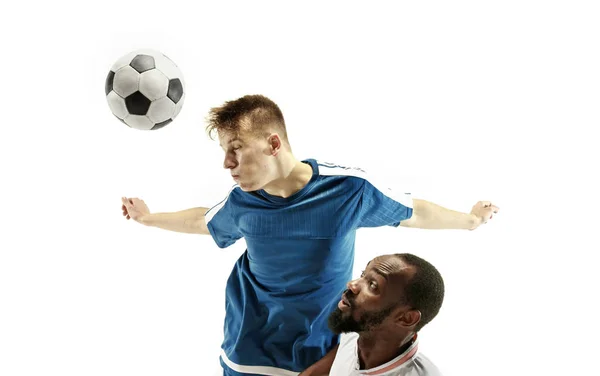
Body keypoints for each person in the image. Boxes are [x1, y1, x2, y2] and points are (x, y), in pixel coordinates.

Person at [120, 94, 498, 376]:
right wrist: (149, 218)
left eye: (236, 149)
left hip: (321, 350)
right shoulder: (242, 203)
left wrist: (470, 220)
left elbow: (415, 212)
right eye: (224, 152)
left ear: (273, 144)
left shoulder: (348, 190)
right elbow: (203, 221)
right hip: (249, 347)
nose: (227, 164)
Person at [323, 253, 445, 376]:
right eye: (363, 275)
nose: (352, 284)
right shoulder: (359, 330)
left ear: (406, 318)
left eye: (373, 285)